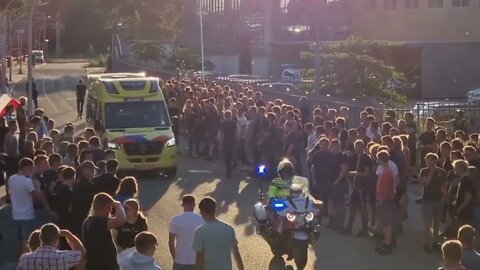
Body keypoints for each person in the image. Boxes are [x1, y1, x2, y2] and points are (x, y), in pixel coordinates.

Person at [9, 158, 54, 254]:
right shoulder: (27, 181)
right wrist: (37, 186)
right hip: (27, 216)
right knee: (27, 241)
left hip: (15, 215)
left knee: (17, 241)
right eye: (31, 168)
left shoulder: (11, 179)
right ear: (26, 167)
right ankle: (26, 260)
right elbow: (39, 197)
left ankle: (19, 260)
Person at [193, 197, 244, 270]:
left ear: (202, 211)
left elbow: (199, 259)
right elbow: (236, 253)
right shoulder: (228, 228)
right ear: (215, 210)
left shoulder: (200, 231)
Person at [83, 192, 126, 270]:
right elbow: (120, 220)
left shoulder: (88, 221)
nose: (110, 211)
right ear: (104, 207)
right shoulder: (98, 222)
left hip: (93, 264)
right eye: (110, 207)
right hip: (104, 265)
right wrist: (118, 204)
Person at [18, 223, 85, 270]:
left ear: (40, 237)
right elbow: (82, 252)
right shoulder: (64, 257)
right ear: (56, 240)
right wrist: (67, 234)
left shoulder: (25, 259)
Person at [420, 153, 448, 253]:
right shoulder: (424, 171)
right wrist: (431, 172)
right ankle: (426, 243)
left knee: (437, 223)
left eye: (430, 160)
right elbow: (426, 183)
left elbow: (445, 186)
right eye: (427, 160)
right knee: (427, 223)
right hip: (428, 200)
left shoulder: (442, 172)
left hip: (438, 200)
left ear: (435, 161)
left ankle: (435, 242)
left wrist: (444, 198)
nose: (428, 162)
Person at [169, 195, 205, 270]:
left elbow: (171, 242)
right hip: (197, 260)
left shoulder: (175, 220)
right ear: (194, 205)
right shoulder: (202, 219)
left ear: (182, 205)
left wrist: (175, 257)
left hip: (180, 260)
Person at [374, 150, 396, 255]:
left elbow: (387, 189)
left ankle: (388, 244)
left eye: (378, 158)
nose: (377, 160)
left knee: (387, 224)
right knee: (384, 223)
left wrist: (381, 201)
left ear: (381, 159)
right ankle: (385, 241)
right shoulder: (385, 171)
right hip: (383, 200)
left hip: (386, 201)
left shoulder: (387, 173)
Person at [71, 161, 97, 237]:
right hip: (85, 218)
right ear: (85, 171)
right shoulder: (89, 186)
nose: (94, 172)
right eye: (92, 170)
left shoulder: (76, 185)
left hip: (76, 219)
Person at [220, 110, 236, 178]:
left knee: (226, 157)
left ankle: (227, 169)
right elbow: (236, 133)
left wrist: (220, 141)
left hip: (225, 141)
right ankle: (230, 169)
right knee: (230, 156)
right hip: (232, 141)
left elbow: (221, 133)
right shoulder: (233, 123)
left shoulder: (222, 123)